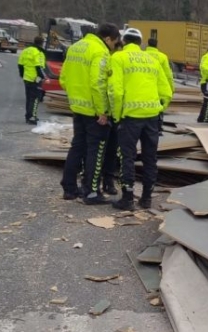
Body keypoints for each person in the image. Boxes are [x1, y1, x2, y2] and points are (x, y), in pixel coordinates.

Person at [109, 28, 172, 210]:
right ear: (140, 42)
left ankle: (127, 199)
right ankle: (146, 198)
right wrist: (160, 108)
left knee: (127, 157)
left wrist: (117, 115)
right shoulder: (152, 60)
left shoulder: (118, 58)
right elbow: (166, 91)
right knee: (150, 158)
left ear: (125, 41)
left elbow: (116, 91)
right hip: (152, 117)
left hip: (130, 117)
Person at [59, 23, 121, 204]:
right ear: (108, 38)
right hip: (94, 111)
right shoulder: (99, 52)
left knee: (77, 147)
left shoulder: (75, 47)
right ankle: (91, 192)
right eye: (114, 42)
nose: (113, 47)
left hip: (77, 107)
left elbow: (64, 79)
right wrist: (102, 111)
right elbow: (97, 83)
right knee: (96, 150)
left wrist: (76, 96)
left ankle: (69, 188)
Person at [102, 39, 124, 196]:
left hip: (117, 115)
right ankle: (91, 182)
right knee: (98, 150)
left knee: (112, 151)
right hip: (104, 114)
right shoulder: (105, 63)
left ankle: (108, 181)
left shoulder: (122, 66)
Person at [145, 38, 175, 135]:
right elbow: (168, 74)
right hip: (159, 86)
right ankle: (158, 128)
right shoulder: (162, 57)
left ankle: (145, 126)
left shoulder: (142, 55)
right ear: (157, 45)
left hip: (146, 84)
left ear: (147, 44)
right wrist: (171, 88)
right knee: (159, 107)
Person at [18, 36, 46, 125]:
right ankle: (32, 117)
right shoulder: (38, 52)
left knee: (29, 98)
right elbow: (39, 67)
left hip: (26, 78)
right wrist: (43, 77)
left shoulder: (26, 50)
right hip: (35, 79)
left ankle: (28, 116)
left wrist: (22, 75)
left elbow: (20, 64)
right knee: (35, 99)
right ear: (42, 43)